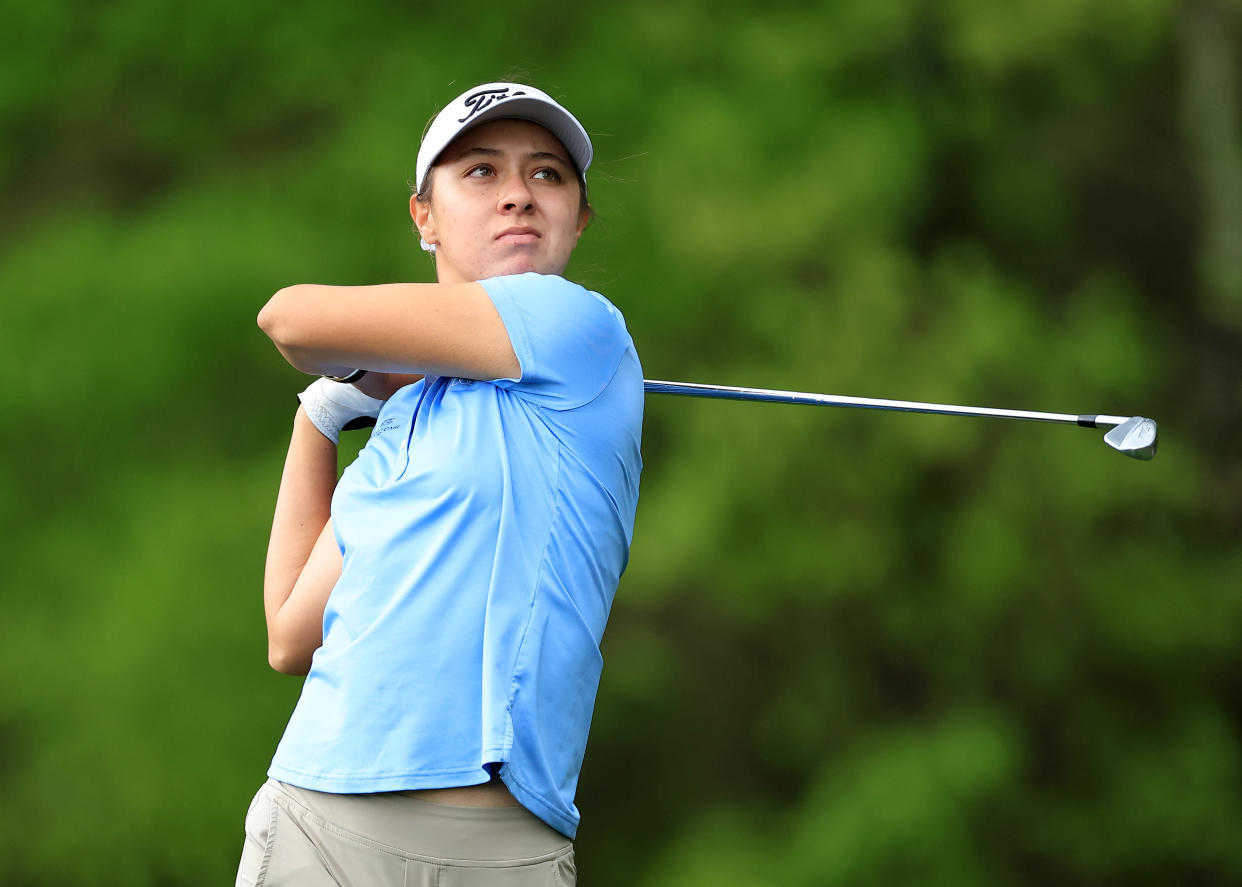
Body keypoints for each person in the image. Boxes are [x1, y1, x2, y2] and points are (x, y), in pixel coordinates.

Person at [236, 82, 643, 887]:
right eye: (482, 172)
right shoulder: (402, 419)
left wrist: (367, 364)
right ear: (424, 217)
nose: (519, 194)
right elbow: (290, 633)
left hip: (500, 847)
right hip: (319, 814)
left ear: (579, 219)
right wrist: (322, 416)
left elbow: (294, 319)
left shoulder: (578, 325)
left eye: (548, 175)